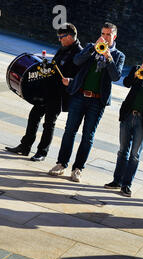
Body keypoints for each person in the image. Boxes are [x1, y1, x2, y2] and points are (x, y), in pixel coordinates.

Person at [48, 22, 125, 182]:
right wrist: (92, 49)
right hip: (79, 96)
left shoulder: (118, 56)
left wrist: (108, 58)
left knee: (88, 136)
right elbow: (76, 61)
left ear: (114, 36)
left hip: (97, 101)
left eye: (108, 34)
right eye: (103, 34)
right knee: (69, 131)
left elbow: (116, 77)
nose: (105, 37)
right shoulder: (91, 46)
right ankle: (61, 164)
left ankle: (78, 168)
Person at [5, 23, 82, 161]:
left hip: (60, 94)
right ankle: (25, 146)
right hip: (48, 89)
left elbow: (78, 76)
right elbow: (55, 66)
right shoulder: (64, 48)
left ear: (70, 36)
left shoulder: (79, 53)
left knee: (49, 123)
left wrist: (68, 79)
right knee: (34, 116)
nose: (59, 39)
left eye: (61, 36)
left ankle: (42, 152)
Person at [104, 47, 143, 197]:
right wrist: (136, 75)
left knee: (134, 154)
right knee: (122, 151)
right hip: (128, 115)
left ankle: (127, 185)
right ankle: (116, 180)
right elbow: (126, 83)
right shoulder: (137, 69)